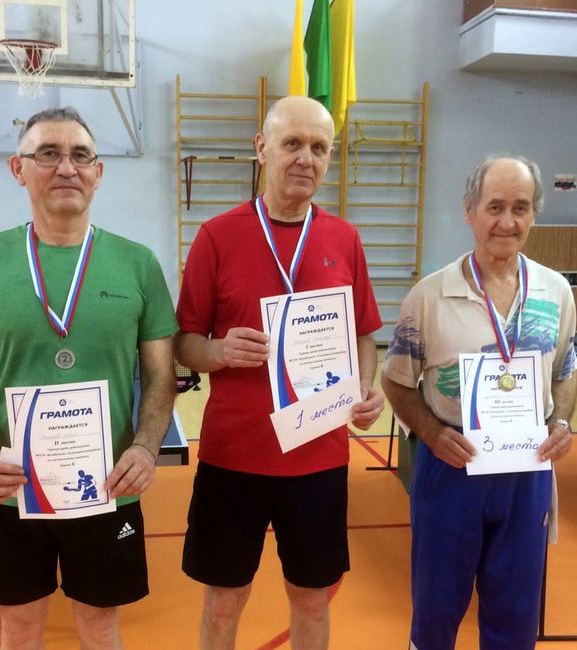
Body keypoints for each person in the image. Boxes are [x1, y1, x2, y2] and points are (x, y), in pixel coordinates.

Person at [0, 106, 177, 650]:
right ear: (18, 168)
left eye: (80, 155)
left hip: (107, 488)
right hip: (9, 488)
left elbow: (162, 374)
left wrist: (145, 448)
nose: (66, 167)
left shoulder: (139, 264)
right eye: (47, 153)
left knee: (100, 625)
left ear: (98, 172)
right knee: (19, 626)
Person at [174, 95, 385, 650]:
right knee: (224, 600)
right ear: (262, 147)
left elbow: (364, 334)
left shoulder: (345, 239)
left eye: (319, 147)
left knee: (312, 600)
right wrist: (219, 351)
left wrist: (366, 387)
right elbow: (184, 344)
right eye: (292, 143)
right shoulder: (217, 236)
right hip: (233, 457)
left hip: (319, 458)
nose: (305, 159)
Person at [381, 155, 577, 650]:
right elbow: (396, 382)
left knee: (515, 623)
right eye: (495, 207)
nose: (507, 222)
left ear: (534, 215)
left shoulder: (556, 292)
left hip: (526, 472)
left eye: (521, 208)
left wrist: (562, 422)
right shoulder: (428, 297)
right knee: (435, 617)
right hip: (451, 469)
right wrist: (431, 433)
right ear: (469, 211)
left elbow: (565, 371)